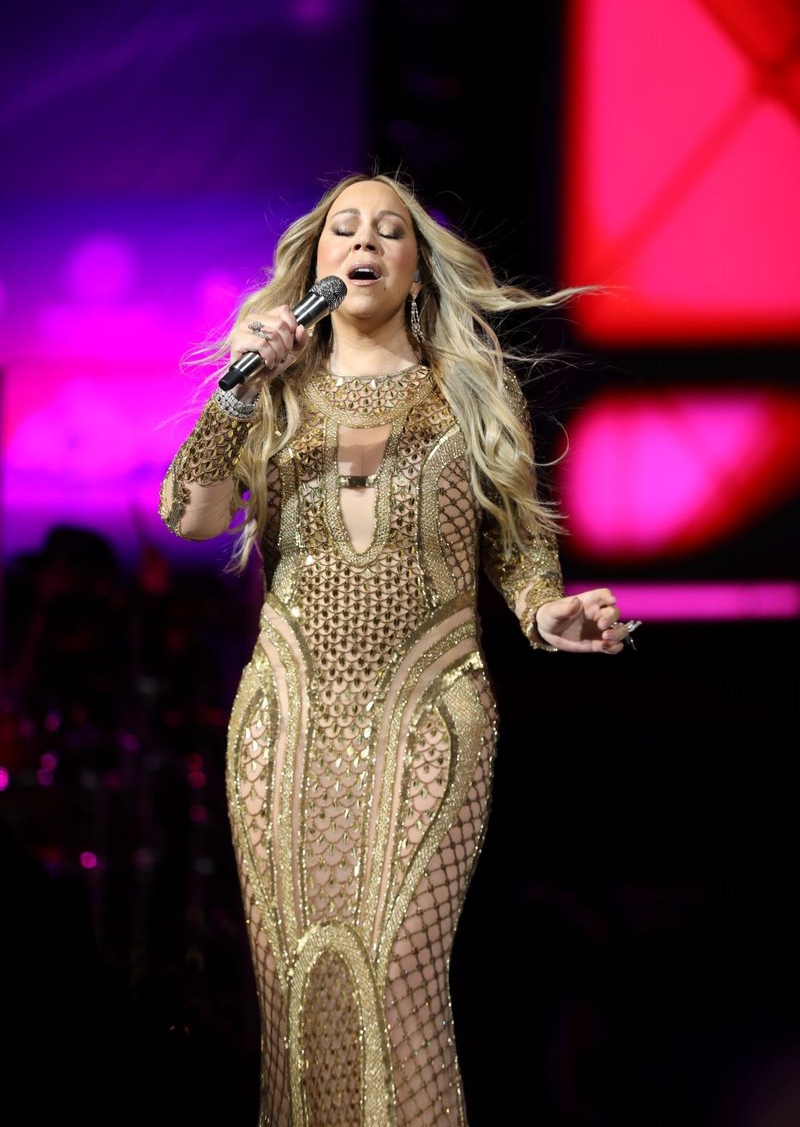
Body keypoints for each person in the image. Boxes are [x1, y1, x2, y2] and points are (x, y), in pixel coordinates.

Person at [158, 171, 640, 1127]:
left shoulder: (466, 391)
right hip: (289, 722)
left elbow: (519, 547)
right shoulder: (274, 393)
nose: (365, 243)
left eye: (389, 231)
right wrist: (238, 392)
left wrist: (544, 614)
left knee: (395, 975)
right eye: (345, 229)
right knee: (298, 995)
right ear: (317, 261)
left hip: (429, 716)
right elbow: (190, 516)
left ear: (417, 270)